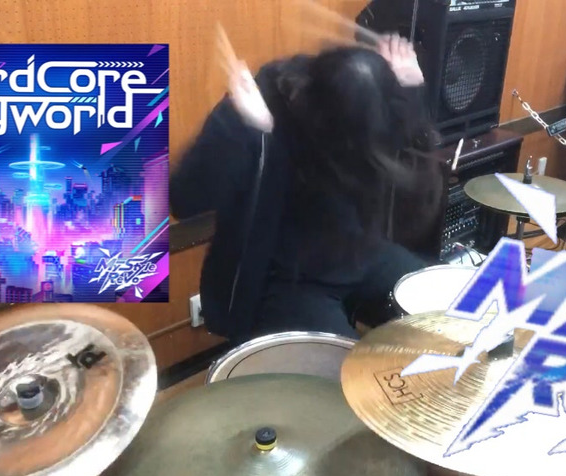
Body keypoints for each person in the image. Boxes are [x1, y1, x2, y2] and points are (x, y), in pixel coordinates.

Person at [170, 36, 445, 344]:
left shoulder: (374, 104)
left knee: (450, 312)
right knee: (340, 370)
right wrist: (239, 126)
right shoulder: (262, 102)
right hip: (287, 279)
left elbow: (414, 174)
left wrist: (412, 90)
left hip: (360, 253)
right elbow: (182, 198)